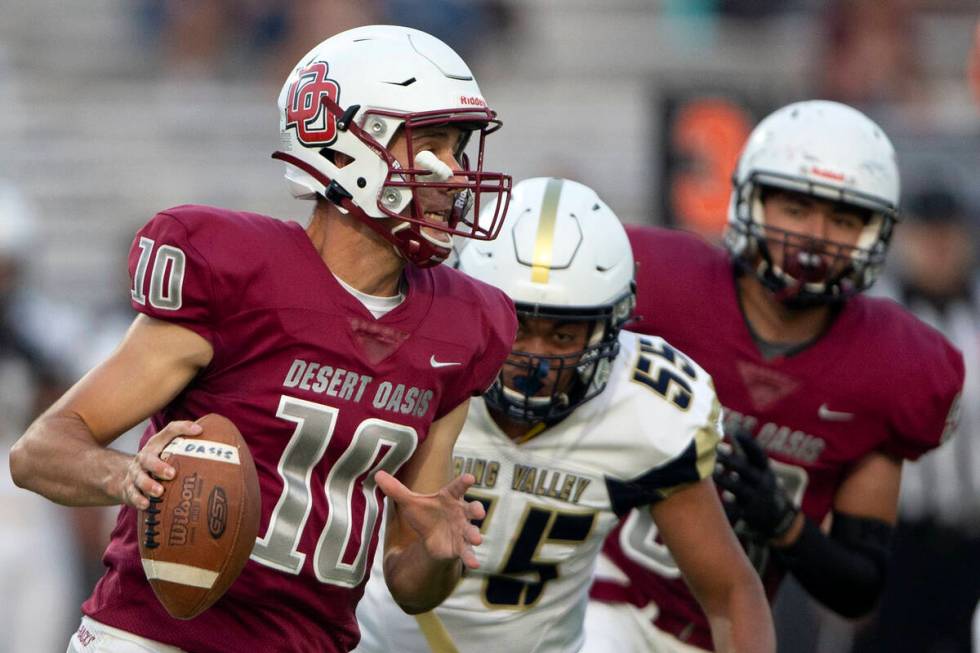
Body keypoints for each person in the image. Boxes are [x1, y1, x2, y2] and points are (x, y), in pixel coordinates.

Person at [9, 25, 516, 653]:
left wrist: (438, 553)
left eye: (459, 148)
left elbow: (410, 581)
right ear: (346, 146)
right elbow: (39, 451)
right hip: (152, 639)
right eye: (430, 145)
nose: (457, 176)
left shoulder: (463, 324)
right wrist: (125, 476)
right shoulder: (239, 276)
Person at [586, 100, 965, 652]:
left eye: (843, 218)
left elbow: (858, 586)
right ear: (749, 200)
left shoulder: (892, 365)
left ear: (877, 233)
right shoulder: (658, 281)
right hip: (601, 602)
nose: (815, 236)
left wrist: (785, 523)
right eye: (796, 208)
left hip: (732, 632)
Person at [354, 177, 775, 653]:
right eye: (516, 325)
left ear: (609, 331)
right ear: (476, 308)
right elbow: (409, 586)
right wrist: (433, 555)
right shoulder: (420, 370)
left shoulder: (643, 407)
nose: (534, 358)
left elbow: (730, 593)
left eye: (561, 337)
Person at [850, 183, 980, 653]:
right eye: (928, 236)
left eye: (949, 235)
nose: (940, 249)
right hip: (897, 541)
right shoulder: (875, 319)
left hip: (972, 535)